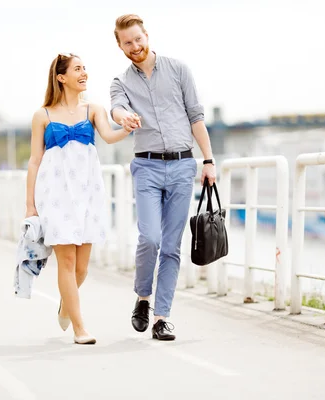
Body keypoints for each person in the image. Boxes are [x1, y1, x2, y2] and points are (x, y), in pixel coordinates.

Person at [110, 14, 217, 341]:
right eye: (127, 42)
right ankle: (143, 297)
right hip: (147, 167)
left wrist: (209, 160)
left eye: (138, 39)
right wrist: (124, 117)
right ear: (119, 45)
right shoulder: (121, 82)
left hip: (184, 166)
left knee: (171, 246)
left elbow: (196, 117)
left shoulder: (179, 70)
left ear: (146, 35)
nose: (134, 47)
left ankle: (161, 317)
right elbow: (115, 108)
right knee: (150, 238)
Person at [25, 53, 139, 345]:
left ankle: (66, 303)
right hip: (55, 192)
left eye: (85, 68)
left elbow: (109, 136)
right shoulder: (42, 115)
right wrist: (30, 204)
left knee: (81, 268)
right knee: (66, 260)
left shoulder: (94, 109)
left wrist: (126, 128)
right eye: (78, 69)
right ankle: (79, 328)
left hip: (88, 190)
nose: (84, 73)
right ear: (61, 77)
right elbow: (35, 161)